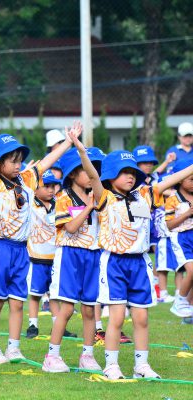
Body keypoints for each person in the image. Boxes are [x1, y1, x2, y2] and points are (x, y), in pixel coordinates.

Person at [68, 129, 193, 380]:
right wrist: (81, 150)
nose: (130, 176)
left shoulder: (145, 195)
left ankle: (141, 365)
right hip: (114, 262)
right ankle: (111, 364)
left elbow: (172, 179)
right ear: (111, 175)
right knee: (116, 318)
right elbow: (92, 174)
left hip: (140, 263)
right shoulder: (104, 197)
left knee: (142, 317)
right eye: (124, 172)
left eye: (133, 172)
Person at [0, 116, 82, 364]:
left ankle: (13, 347)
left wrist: (69, 142)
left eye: (19, 160)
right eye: (12, 160)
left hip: (21, 249)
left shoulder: (26, 179)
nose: (17, 164)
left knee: (17, 302)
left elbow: (47, 161)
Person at [42, 147, 104, 373]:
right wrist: (88, 207)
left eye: (94, 169)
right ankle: (51, 356)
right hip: (70, 255)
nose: (91, 174)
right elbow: (70, 227)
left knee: (90, 310)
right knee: (67, 309)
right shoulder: (63, 198)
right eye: (85, 170)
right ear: (72, 173)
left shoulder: (99, 195)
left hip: (93, 255)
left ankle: (87, 355)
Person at [25, 169, 59, 339]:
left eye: (53, 186)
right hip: (36, 257)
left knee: (54, 294)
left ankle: (58, 326)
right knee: (35, 294)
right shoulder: (30, 204)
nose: (51, 190)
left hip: (55, 257)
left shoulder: (59, 203)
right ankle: (33, 325)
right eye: (46, 186)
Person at [166, 159, 193, 318]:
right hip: (182, 238)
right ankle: (180, 301)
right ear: (180, 179)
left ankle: (188, 305)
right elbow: (169, 225)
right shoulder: (173, 199)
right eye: (191, 179)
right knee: (191, 270)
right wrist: (187, 214)